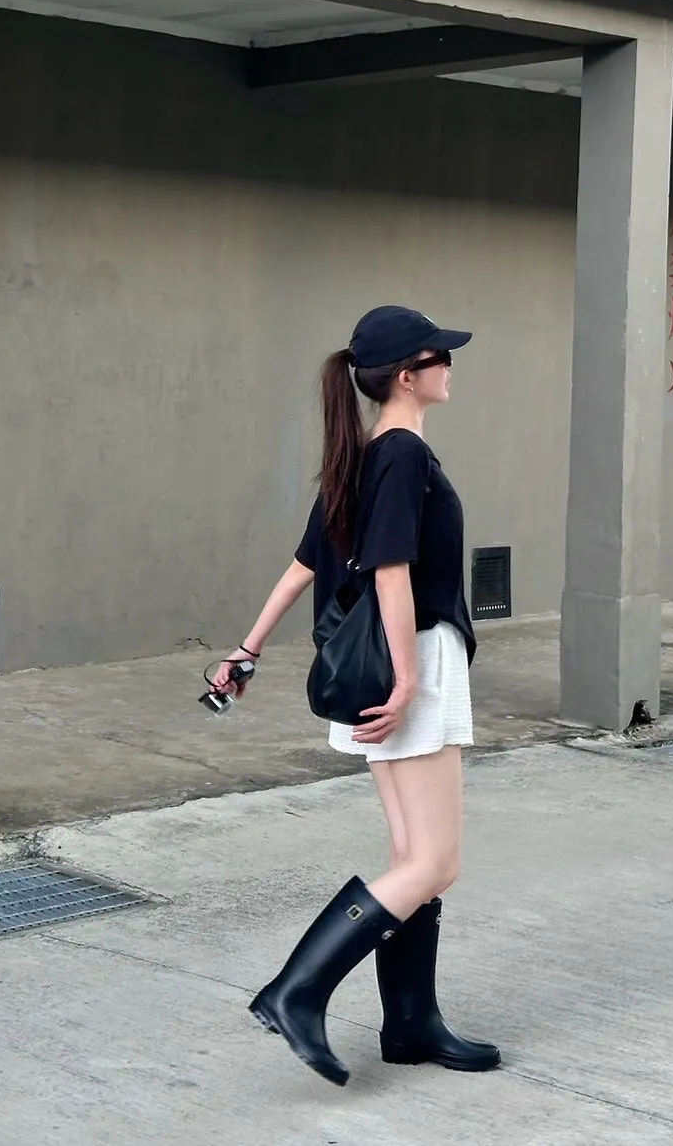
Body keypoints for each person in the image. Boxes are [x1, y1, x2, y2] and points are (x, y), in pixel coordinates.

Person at [209, 305, 500, 1087]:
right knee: (435, 860)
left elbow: (303, 565)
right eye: (440, 357)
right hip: (411, 659)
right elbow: (391, 570)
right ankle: (296, 991)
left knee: (415, 861)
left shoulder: (363, 455)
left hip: (378, 665)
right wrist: (408, 678)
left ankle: (410, 1024)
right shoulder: (401, 454)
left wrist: (246, 649)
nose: (451, 366)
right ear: (407, 375)